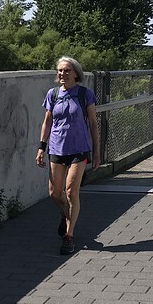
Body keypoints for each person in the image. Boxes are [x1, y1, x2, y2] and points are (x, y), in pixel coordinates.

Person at [36, 56, 100, 255]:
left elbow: (93, 123)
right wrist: (41, 147)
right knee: (54, 193)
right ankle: (66, 216)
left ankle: (68, 236)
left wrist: (96, 152)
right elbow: (47, 122)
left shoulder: (84, 94)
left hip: (78, 149)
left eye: (66, 70)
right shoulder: (52, 94)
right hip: (56, 148)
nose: (62, 74)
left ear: (75, 73)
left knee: (72, 191)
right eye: (60, 71)